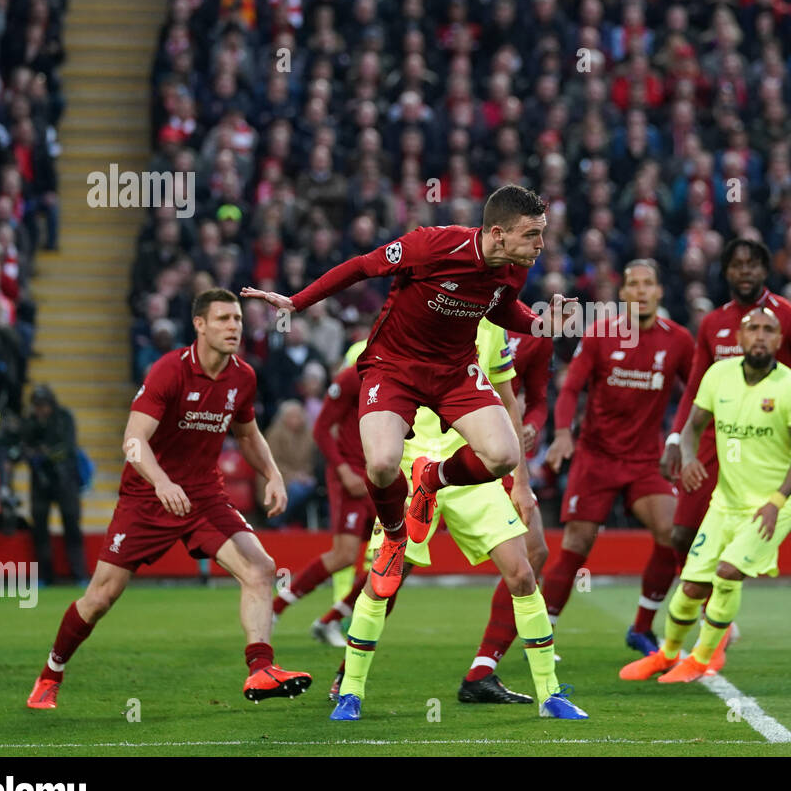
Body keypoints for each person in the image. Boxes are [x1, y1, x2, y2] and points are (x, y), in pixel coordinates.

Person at [240, 185, 578, 626]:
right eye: (533, 235)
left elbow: (500, 308)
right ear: (498, 233)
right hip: (393, 366)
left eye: (542, 234)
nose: (541, 245)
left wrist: (538, 323)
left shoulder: (514, 267)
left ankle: (431, 479)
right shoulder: (432, 244)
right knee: (380, 465)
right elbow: (362, 267)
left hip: (454, 370)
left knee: (504, 455)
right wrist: (297, 301)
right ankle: (397, 534)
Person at [26, 289, 312, 709]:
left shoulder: (243, 377)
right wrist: (161, 482)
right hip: (146, 497)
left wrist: (273, 475)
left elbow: (248, 435)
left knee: (260, 567)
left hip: (203, 497)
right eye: (223, 320)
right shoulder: (169, 371)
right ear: (199, 325)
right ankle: (51, 673)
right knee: (101, 596)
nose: (234, 327)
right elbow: (133, 440)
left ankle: (260, 670)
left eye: (237, 319)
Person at [331, 317, 586, 719]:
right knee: (383, 582)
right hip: (414, 462)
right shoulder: (410, 312)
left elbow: (506, 402)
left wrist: (520, 483)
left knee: (521, 573)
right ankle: (350, 691)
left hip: (469, 469)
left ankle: (550, 695)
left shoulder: (493, 327)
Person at [620, 307, 791, 682]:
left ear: (779, 341)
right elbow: (693, 426)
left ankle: (702, 658)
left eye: (768, 330)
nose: (759, 336)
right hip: (724, 503)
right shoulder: (718, 375)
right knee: (692, 585)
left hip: (771, 505)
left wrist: (776, 502)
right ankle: (666, 654)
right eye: (752, 329)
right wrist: (689, 457)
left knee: (727, 574)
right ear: (739, 339)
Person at [658, 238, 791, 622]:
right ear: (726, 272)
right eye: (737, 265)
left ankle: (720, 612)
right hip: (713, 438)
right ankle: (710, 605)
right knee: (680, 534)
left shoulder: (787, 317)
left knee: (740, 541)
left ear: (765, 271)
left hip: (763, 441)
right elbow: (693, 386)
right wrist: (677, 438)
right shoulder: (712, 322)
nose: (745, 272)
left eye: (753, 265)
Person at [542, 258, 694, 655]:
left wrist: (682, 439)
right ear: (623, 293)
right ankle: (543, 632)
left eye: (648, 284)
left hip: (646, 460)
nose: (641, 291)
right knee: (578, 541)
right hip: (597, 456)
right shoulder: (599, 335)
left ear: (659, 292)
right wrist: (561, 434)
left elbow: (698, 394)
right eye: (633, 284)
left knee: (672, 532)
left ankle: (642, 628)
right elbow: (571, 388)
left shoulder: (678, 340)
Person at [455, 321, 555, 700]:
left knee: (533, 553)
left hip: (502, 454)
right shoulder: (454, 307)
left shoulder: (534, 330)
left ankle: (483, 668)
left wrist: (531, 426)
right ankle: (347, 673)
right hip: (445, 446)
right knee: (395, 568)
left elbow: (537, 397)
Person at [273, 366, 378, 649]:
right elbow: (321, 429)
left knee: (394, 561)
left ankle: (331, 619)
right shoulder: (354, 376)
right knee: (344, 555)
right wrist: (344, 470)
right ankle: (274, 609)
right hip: (352, 477)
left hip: (383, 476)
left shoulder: (407, 374)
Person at [20, 385, 86, 585]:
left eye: (43, 405)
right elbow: (24, 447)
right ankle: (44, 576)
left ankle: (80, 574)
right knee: (39, 528)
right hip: (40, 481)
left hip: (65, 479)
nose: (41, 410)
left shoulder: (63, 418)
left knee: (72, 525)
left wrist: (43, 455)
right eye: (37, 406)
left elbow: (67, 447)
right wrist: (37, 455)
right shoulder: (31, 422)